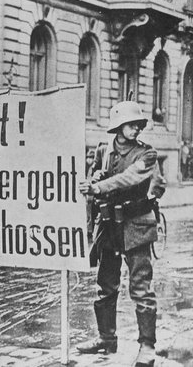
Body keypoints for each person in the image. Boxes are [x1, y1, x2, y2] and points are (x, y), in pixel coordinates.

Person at [77, 100, 165, 367]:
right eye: (131, 125)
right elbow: (97, 176)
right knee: (105, 286)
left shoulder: (147, 154)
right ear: (117, 126)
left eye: (138, 125)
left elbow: (128, 178)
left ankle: (147, 346)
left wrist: (98, 187)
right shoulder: (104, 150)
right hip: (110, 226)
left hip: (136, 225)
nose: (136, 129)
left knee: (141, 288)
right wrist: (92, 181)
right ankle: (106, 338)